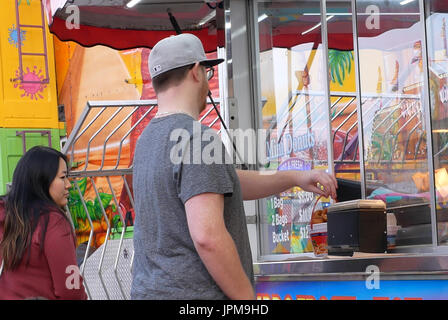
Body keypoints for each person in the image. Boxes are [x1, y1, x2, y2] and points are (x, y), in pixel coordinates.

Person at [131, 33, 338, 300]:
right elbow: (208, 237)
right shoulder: (196, 138)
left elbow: (220, 181)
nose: (208, 82)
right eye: (209, 72)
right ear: (196, 72)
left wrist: (294, 177)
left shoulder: (146, 140)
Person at [0, 146, 87, 300]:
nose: (68, 184)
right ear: (41, 180)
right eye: (62, 177)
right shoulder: (53, 222)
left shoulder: (6, 214)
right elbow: (70, 289)